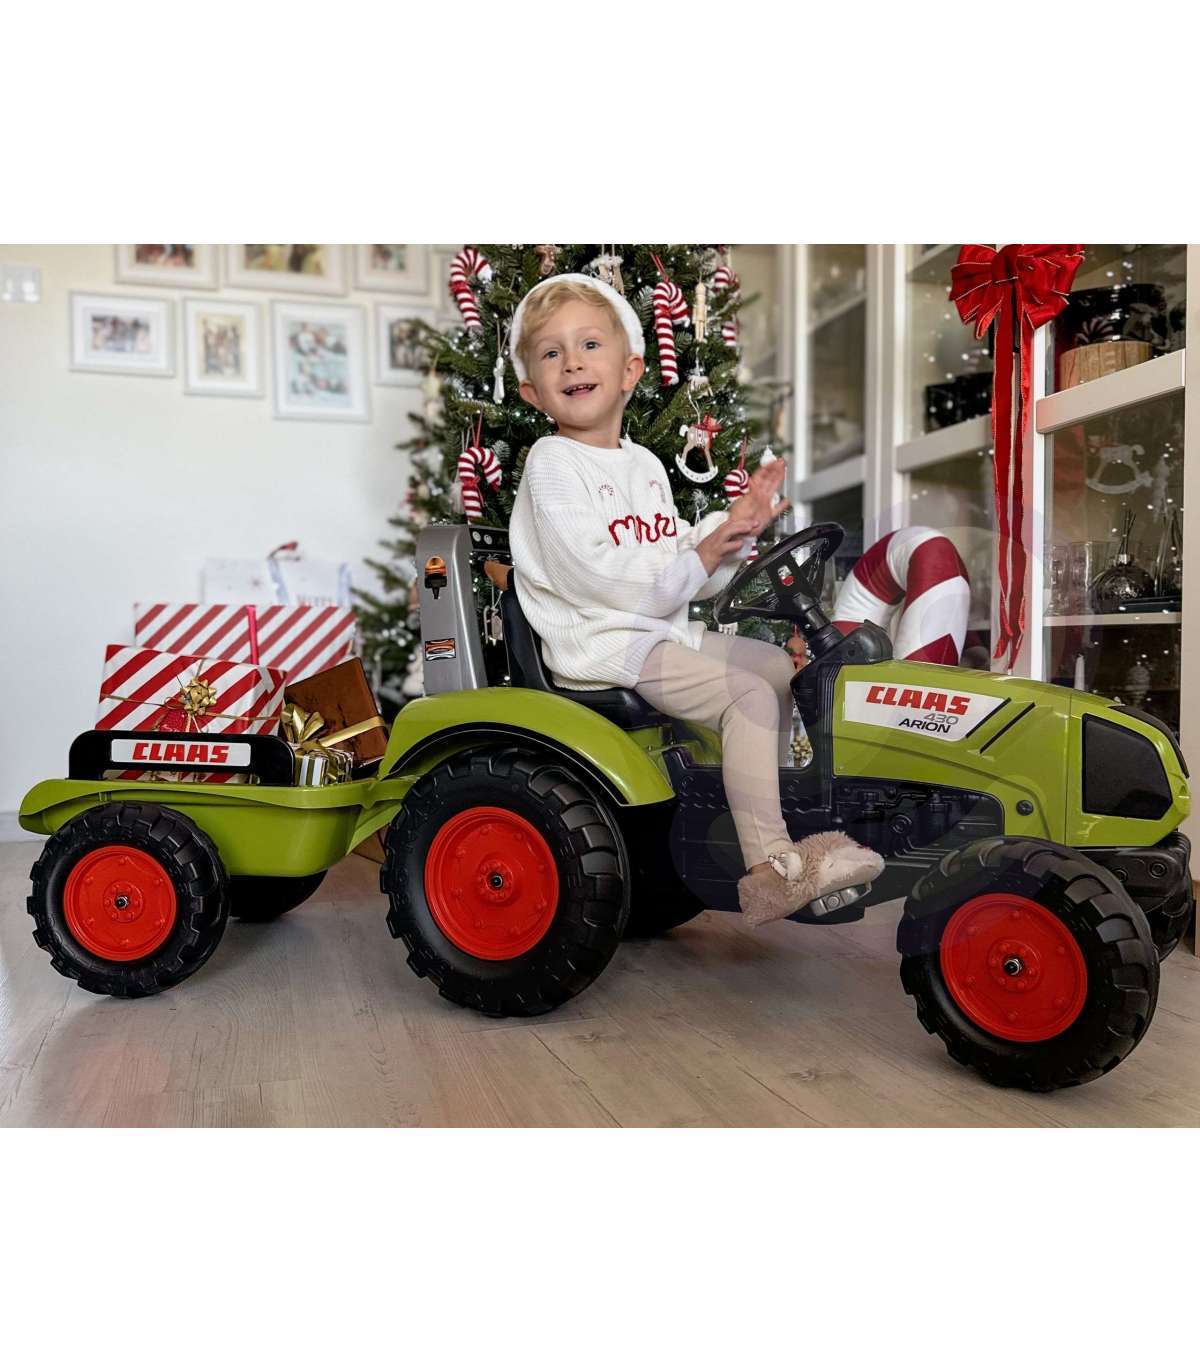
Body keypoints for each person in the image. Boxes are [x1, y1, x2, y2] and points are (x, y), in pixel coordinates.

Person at [503, 273, 883, 926]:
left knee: (776, 667)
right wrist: (699, 556)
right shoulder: (552, 462)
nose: (572, 362)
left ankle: (757, 817)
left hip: (655, 630)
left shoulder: (645, 465)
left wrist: (731, 531)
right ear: (532, 392)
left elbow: (681, 557)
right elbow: (598, 576)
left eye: (589, 344)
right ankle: (772, 870)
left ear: (630, 370)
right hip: (602, 642)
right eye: (551, 352)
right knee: (746, 696)